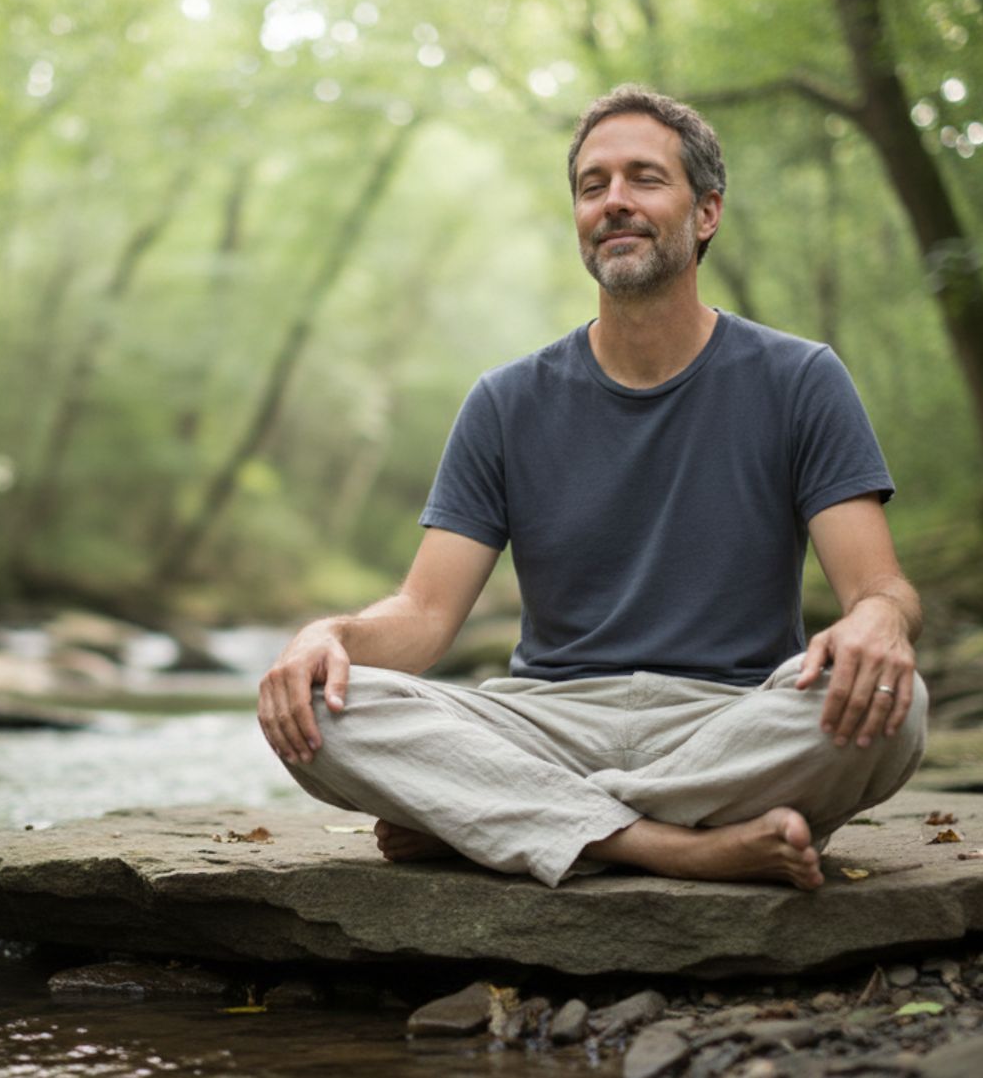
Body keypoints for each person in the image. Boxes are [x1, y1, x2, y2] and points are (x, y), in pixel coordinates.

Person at [255, 86, 928, 891]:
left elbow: (876, 587)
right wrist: (322, 637)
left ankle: (508, 822)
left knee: (900, 700)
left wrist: (881, 622)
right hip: (547, 721)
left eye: (645, 179)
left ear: (706, 212)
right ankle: (666, 844)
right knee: (324, 711)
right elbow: (426, 617)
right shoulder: (505, 402)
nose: (614, 202)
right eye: (592, 185)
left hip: (729, 716)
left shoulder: (800, 378)